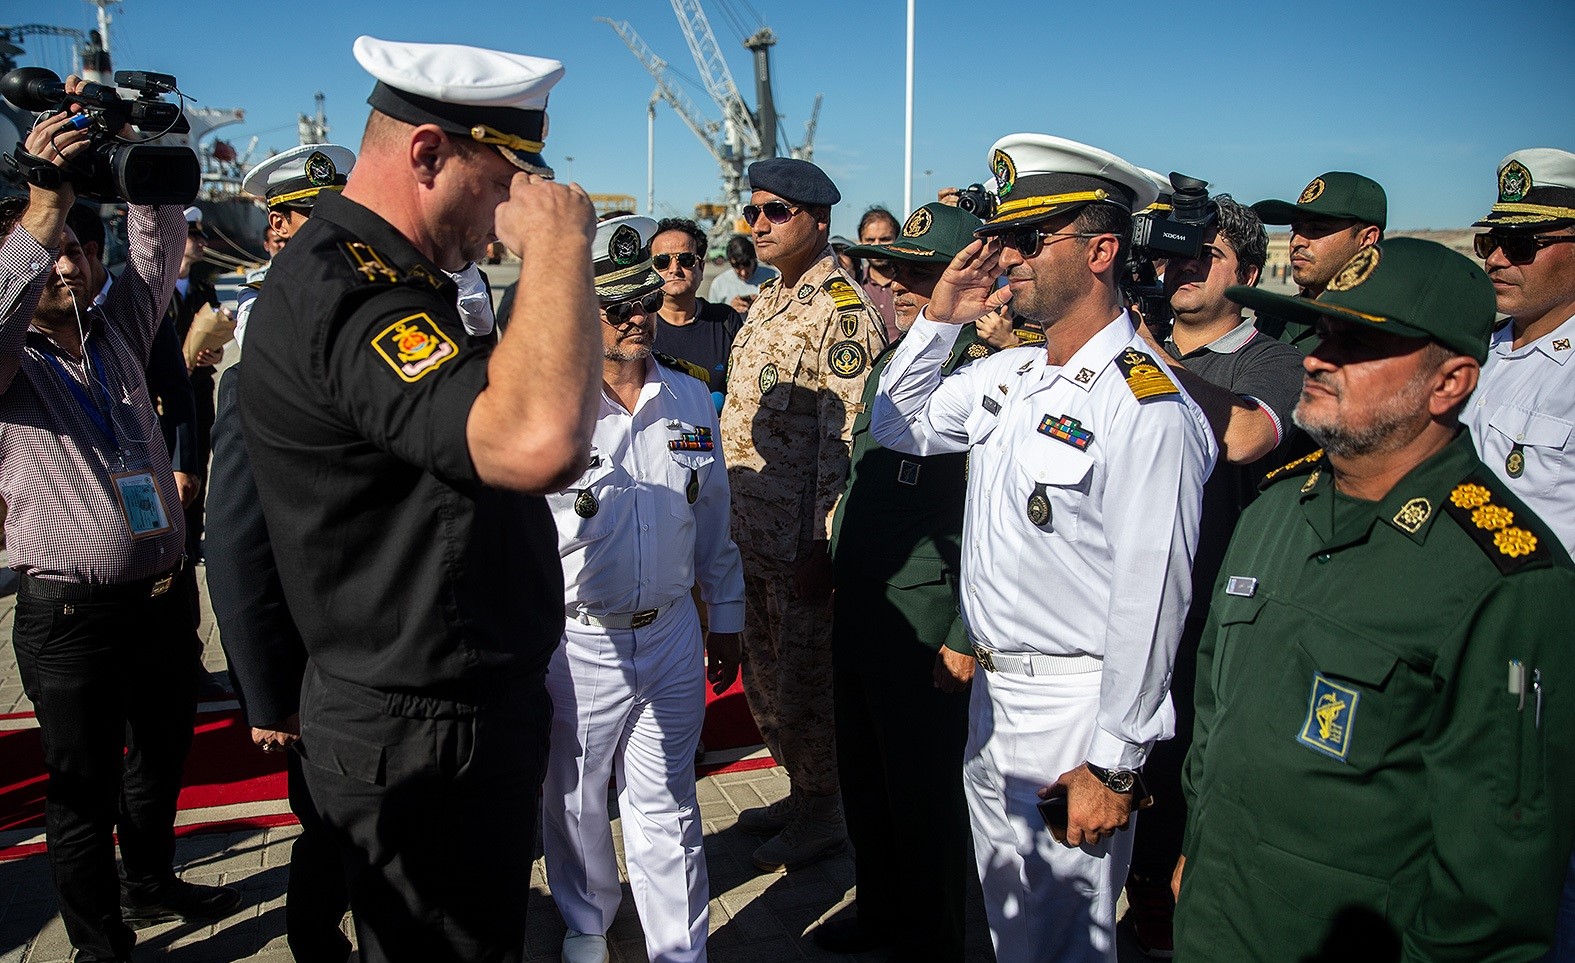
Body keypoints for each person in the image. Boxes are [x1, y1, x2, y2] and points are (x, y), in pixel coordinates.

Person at [238, 36, 602, 963]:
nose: (508, 216)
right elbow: (537, 439)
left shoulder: (395, 279)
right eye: (504, 181)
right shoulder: (355, 294)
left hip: (436, 716)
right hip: (423, 733)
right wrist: (560, 247)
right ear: (429, 153)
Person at [1176, 237, 1575, 960]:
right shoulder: (1271, 512)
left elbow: (1489, 894)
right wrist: (1194, 847)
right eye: (1324, 332)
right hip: (1216, 918)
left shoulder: (1506, 579)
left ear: (1449, 382)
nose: (1318, 358)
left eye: (1358, 343)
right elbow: (1215, 705)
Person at [870, 133, 1216, 963]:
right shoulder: (1012, 376)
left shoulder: (1148, 406)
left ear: (1101, 250)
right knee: (1010, 931)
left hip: (1074, 712)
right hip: (995, 700)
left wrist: (1116, 762)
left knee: (1066, 943)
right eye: (1008, 238)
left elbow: (1152, 596)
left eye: (1031, 239)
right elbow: (895, 423)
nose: (1009, 258)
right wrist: (939, 319)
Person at [0, 93, 240, 963]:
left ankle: (149, 879)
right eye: (52, 256)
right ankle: (101, 943)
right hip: (71, 620)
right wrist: (45, 205)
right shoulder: (10, 362)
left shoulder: (119, 331)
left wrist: (144, 155)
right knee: (82, 791)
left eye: (77, 251)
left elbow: (157, 251)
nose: (69, 266)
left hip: (164, 600)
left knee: (161, 761)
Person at [542, 214, 745, 963]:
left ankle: (676, 949)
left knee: (667, 803)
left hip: (669, 634)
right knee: (574, 797)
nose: (637, 316)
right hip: (579, 637)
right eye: (615, 303)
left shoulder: (690, 400)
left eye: (643, 299)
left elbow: (715, 517)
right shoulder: (551, 403)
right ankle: (587, 920)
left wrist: (725, 617)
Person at [1122, 194, 1306, 957]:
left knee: (1186, 795)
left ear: (1252, 271)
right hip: (1136, 610)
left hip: (1217, 628)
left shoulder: (1271, 357)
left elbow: (1240, 435)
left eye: (1206, 255)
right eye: (1174, 253)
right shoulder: (1138, 343)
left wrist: (1145, 356)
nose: (1182, 267)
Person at [811, 201, 993, 962]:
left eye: (922, 272)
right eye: (892, 270)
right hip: (865, 608)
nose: (898, 285)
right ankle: (883, 911)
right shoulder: (898, 359)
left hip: (927, 623)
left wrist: (964, 633)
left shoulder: (987, 375)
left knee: (926, 798)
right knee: (867, 779)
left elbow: (994, 523)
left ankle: (934, 937)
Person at [208, 141, 359, 963]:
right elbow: (236, 533)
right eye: (311, 219)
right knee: (333, 824)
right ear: (276, 230)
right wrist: (265, 692)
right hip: (318, 659)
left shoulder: (383, 320)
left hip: (391, 644)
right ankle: (313, 940)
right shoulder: (259, 348)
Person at [720, 156, 886, 872]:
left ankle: (823, 811)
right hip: (752, 537)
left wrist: (825, 548)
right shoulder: (766, 298)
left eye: (775, 212)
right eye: (753, 211)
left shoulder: (840, 313)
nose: (758, 223)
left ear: (818, 221)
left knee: (806, 686)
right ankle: (800, 790)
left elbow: (845, 443)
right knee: (766, 680)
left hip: (800, 549)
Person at [1458, 147, 1575, 959]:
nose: (1497, 256)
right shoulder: (1478, 346)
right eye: (1489, 240)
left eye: (1522, 242)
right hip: (1460, 650)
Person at [233, 142, 355, 347]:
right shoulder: (259, 297)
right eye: (315, 213)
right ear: (279, 224)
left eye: (337, 207)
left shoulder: (376, 271)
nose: (332, 219)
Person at [1250, 171, 1386, 353]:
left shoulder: (1389, 327)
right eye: (1295, 229)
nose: (1297, 242)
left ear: (1367, 239)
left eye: (1317, 229)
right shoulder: (1275, 317)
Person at [649, 215, 744, 410]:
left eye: (686, 259)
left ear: (701, 267)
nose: (674, 269)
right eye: (662, 261)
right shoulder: (638, 324)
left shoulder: (725, 320)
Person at [855, 206, 901, 341]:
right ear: (861, 242)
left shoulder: (913, 286)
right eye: (870, 240)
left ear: (897, 240)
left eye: (885, 239)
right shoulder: (852, 284)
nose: (877, 246)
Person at [706, 233, 777, 313]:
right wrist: (730, 311)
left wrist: (764, 304)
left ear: (754, 258)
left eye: (747, 264)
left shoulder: (775, 276)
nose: (743, 272)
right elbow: (712, 317)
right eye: (736, 266)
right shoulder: (719, 284)